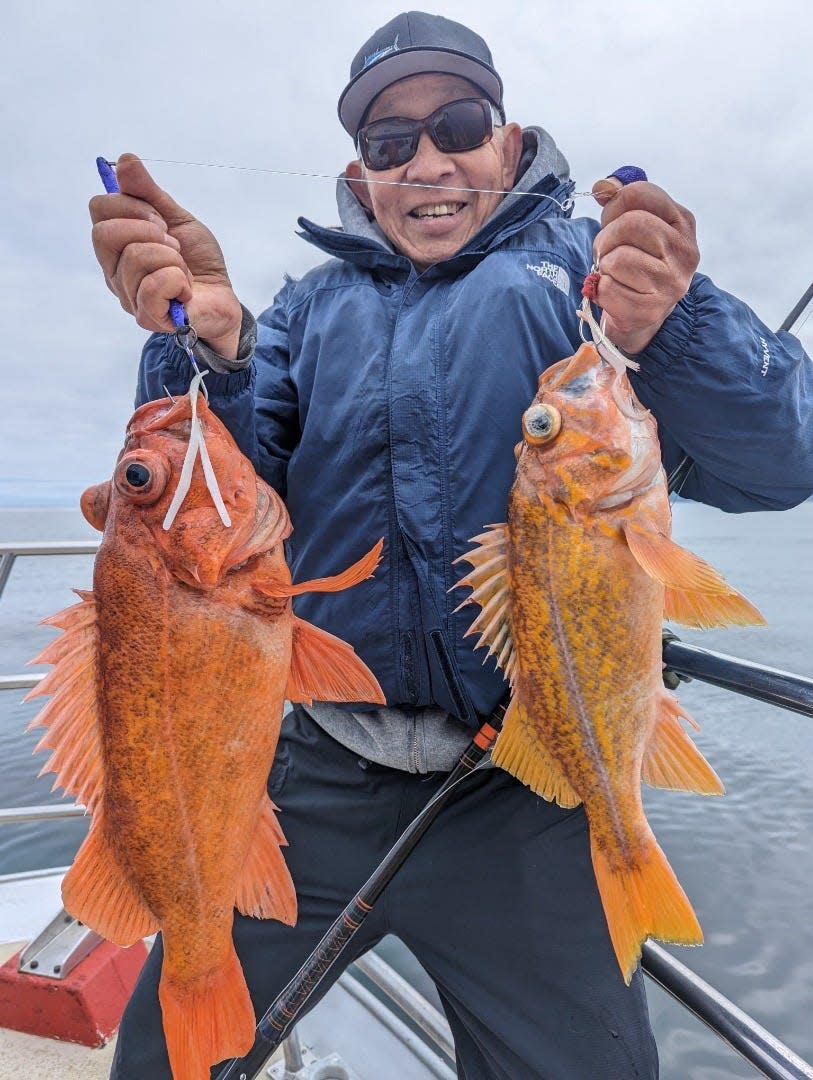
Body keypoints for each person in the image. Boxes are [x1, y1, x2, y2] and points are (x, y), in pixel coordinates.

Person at [91, 12, 813, 1079]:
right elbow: (220, 509)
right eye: (391, 144)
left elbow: (781, 460)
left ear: (509, 142)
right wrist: (208, 349)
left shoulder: (595, 287)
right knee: (175, 1058)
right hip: (307, 780)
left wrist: (679, 324)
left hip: (527, 791)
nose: (428, 161)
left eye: (458, 125)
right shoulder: (300, 315)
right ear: (360, 172)